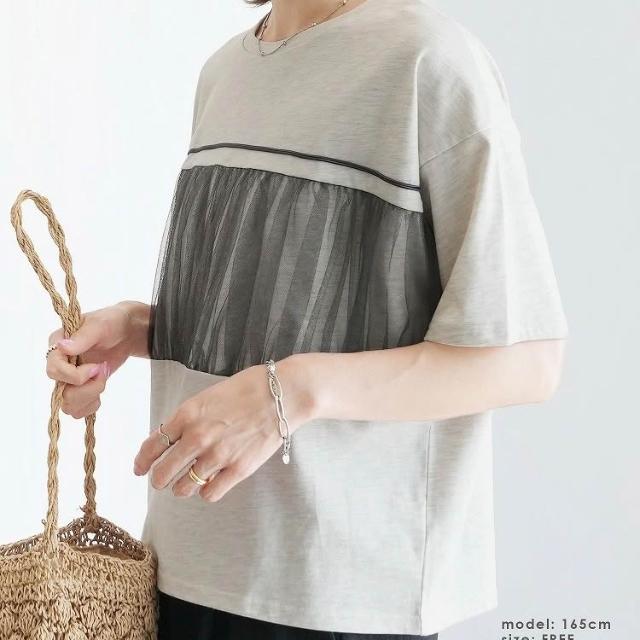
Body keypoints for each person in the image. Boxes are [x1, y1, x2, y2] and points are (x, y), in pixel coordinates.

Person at [44, 0, 569, 638]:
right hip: (178, 572)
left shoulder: (429, 62)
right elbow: (295, 307)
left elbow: (527, 360)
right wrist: (137, 328)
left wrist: (290, 392)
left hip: (340, 595)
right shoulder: (225, 72)